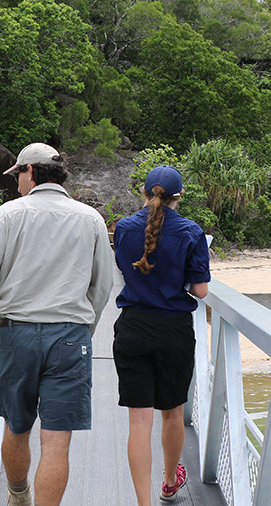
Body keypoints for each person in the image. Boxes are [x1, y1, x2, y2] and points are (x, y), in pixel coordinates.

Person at [0, 142, 114, 506]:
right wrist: (81, 329)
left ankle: (18, 495)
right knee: (57, 441)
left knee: (16, 425)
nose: (16, 184)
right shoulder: (90, 219)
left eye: (17, 176)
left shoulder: (8, 215)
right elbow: (102, 286)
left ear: (29, 172)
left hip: (17, 334)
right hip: (70, 338)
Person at [111, 165, 210, 505]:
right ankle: (169, 482)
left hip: (133, 327)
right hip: (173, 332)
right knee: (172, 411)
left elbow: (126, 270)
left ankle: (143, 502)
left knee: (139, 420)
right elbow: (200, 290)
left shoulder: (123, 228)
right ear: (177, 197)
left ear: (144, 192)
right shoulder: (191, 231)